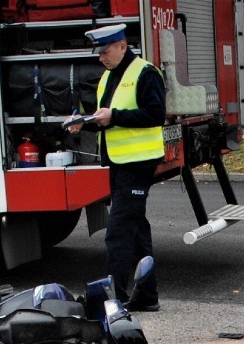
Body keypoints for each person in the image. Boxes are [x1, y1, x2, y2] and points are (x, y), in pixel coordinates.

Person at [65, 24, 165, 311]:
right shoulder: (110, 75)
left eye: (105, 51)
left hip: (138, 164)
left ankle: (114, 299)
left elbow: (156, 114)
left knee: (118, 232)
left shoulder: (145, 72)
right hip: (120, 163)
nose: (101, 57)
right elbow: (105, 116)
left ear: (122, 46)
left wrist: (115, 116)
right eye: (99, 52)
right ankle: (147, 297)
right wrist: (84, 121)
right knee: (135, 230)